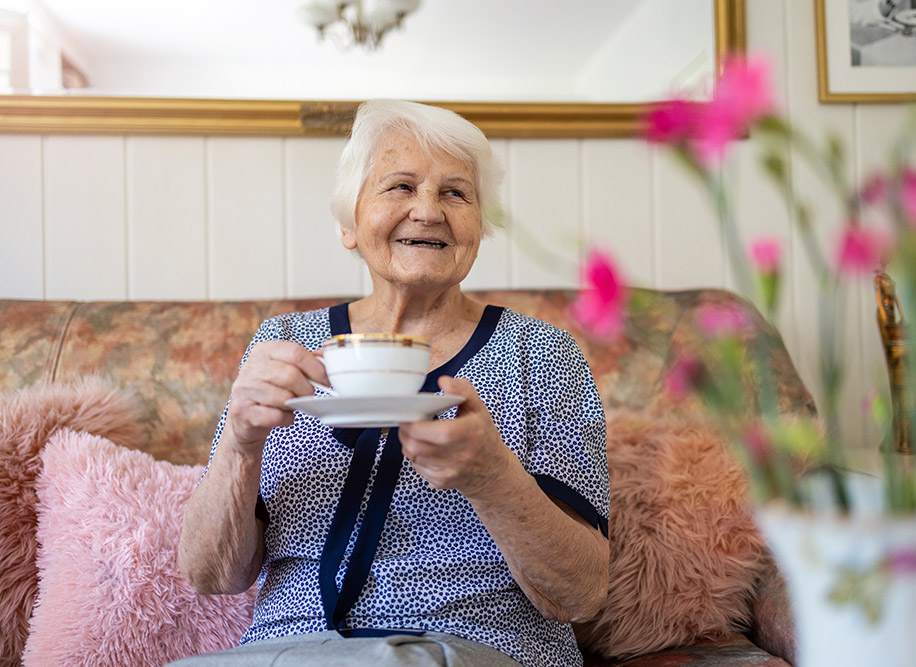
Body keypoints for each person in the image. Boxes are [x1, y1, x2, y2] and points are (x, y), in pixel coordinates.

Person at [174, 99, 610, 667]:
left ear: (479, 228)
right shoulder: (284, 343)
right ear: (348, 225)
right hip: (286, 652)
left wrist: (494, 478)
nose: (428, 211)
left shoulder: (541, 355)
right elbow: (209, 574)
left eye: (456, 193)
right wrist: (239, 443)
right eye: (400, 186)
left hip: (472, 649)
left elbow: (581, 594)